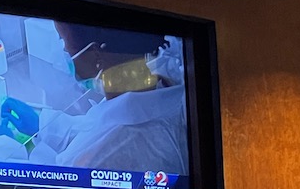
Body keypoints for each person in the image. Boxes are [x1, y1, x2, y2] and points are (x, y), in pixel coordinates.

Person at [27, 26, 190, 175]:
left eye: (63, 40)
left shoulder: (101, 159)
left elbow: (60, 182)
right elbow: (96, 128)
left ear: (95, 54)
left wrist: (5, 147)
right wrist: (44, 125)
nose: (62, 50)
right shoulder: (158, 87)